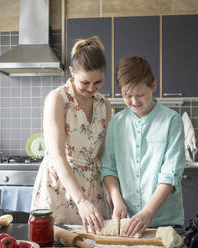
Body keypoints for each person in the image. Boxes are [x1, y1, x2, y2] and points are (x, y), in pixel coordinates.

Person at [31, 36, 111, 233]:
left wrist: (111, 194)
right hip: (60, 189)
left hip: (93, 191)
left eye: (98, 82)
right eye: (85, 82)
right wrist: (81, 201)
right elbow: (56, 154)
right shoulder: (57, 99)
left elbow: (103, 156)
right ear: (72, 72)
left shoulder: (104, 104)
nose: (91, 89)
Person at [101, 56, 185, 237]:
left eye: (140, 95)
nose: (134, 101)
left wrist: (148, 212)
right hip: (128, 224)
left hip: (165, 223)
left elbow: (170, 176)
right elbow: (109, 168)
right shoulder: (116, 124)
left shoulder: (171, 121)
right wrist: (117, 201)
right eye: (126, 95)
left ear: (153, 85)